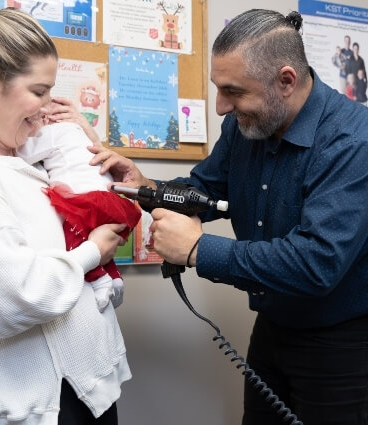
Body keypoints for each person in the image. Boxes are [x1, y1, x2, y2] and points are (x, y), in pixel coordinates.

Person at [89, 9, 368, 425]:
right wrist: (144, 186)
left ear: (286, 81)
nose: (221, 107)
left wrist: (199, 249)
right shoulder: (247, 126)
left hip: (341, 346)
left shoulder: (353, 141)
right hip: (272, 328)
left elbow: (316, 262)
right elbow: (205, 189)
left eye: (233, 92)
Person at [0, 1, 130, 424]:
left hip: (82, 392)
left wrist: (82, 140)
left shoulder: (22, 159)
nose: (47, 107)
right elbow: (13, 298)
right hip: (36, 410)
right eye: (38, 92)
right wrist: (92, 253)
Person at [17, 100, 141, 311]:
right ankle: (114, 277)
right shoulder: (81, 133)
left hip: (87, 200)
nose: (30, 130)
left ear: (47, 118)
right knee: (99, 238)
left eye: (31, 122)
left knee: (75, 240)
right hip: (111, 200)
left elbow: (22, 154)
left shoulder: (51, 133)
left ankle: (100, 280)